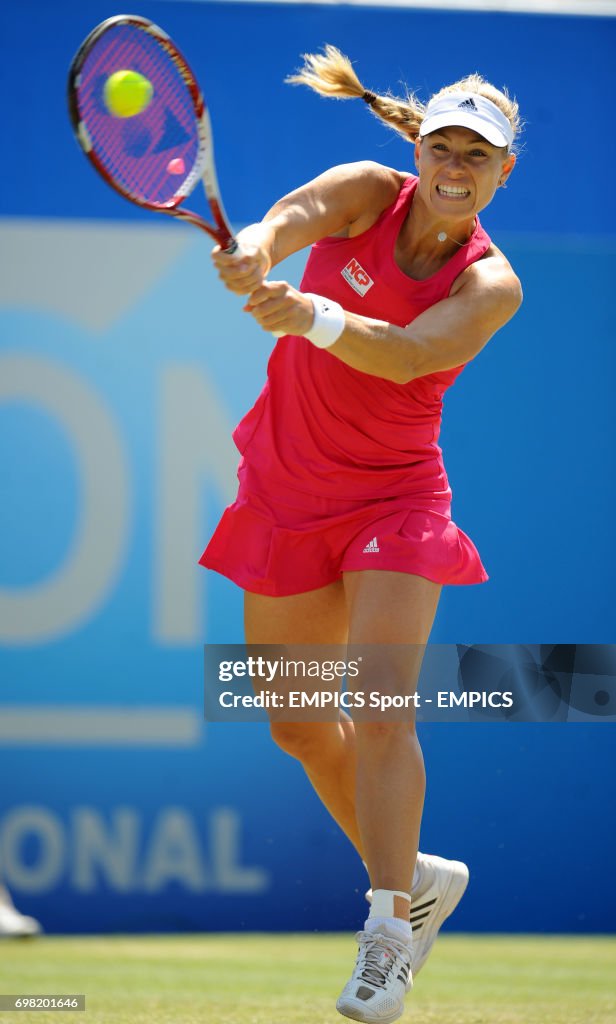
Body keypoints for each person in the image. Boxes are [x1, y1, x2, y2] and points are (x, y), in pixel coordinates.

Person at [201, 45, 522, 1024]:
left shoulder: (490, 283)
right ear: (417, 149)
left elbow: (410, 354)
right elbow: (293, 215)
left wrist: (310, 314)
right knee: (298, 723)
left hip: (395, 503)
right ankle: (416, 871)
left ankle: (388, 934)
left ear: (503, 171)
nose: (456, 164)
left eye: (479, 154)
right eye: (444, 145)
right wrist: (257, 245)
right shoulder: (365, 190)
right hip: (288, 490)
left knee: (382, 708)